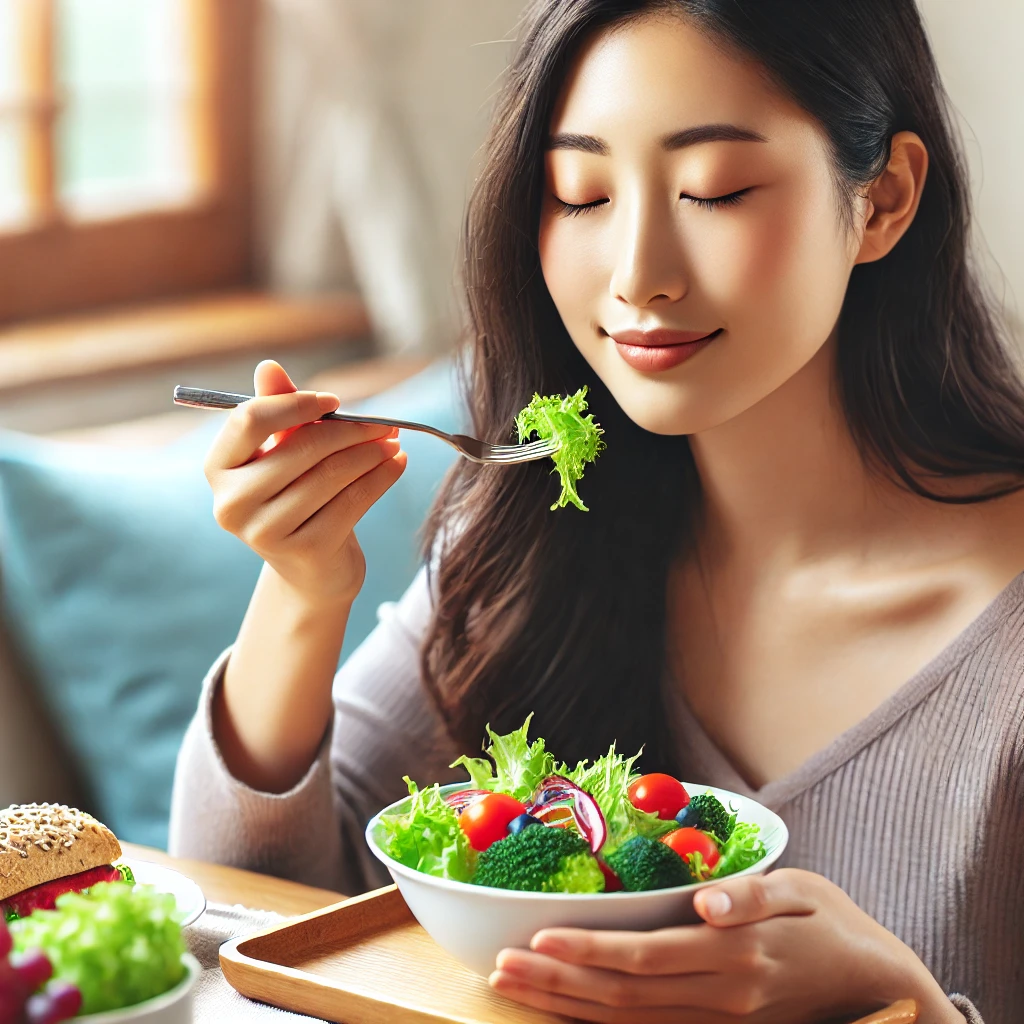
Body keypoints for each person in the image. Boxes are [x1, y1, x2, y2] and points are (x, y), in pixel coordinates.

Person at [169, 2, 1023, 1020]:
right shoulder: (541, 541)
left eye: (716, 190)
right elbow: (249, 923)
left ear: (881, 200)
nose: (635, 276)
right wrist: (303, 593)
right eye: (581, 194)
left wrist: (906, 1006)